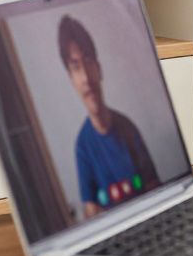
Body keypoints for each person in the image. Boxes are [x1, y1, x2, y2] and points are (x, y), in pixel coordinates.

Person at [58, 14, 159, 219]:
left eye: (88, 61)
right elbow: (91, 211)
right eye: (76, 67)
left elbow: (155, 188)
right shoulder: (82, 148)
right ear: (71, 79)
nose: (86, 77)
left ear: (99, 68)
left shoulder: (127, 128)